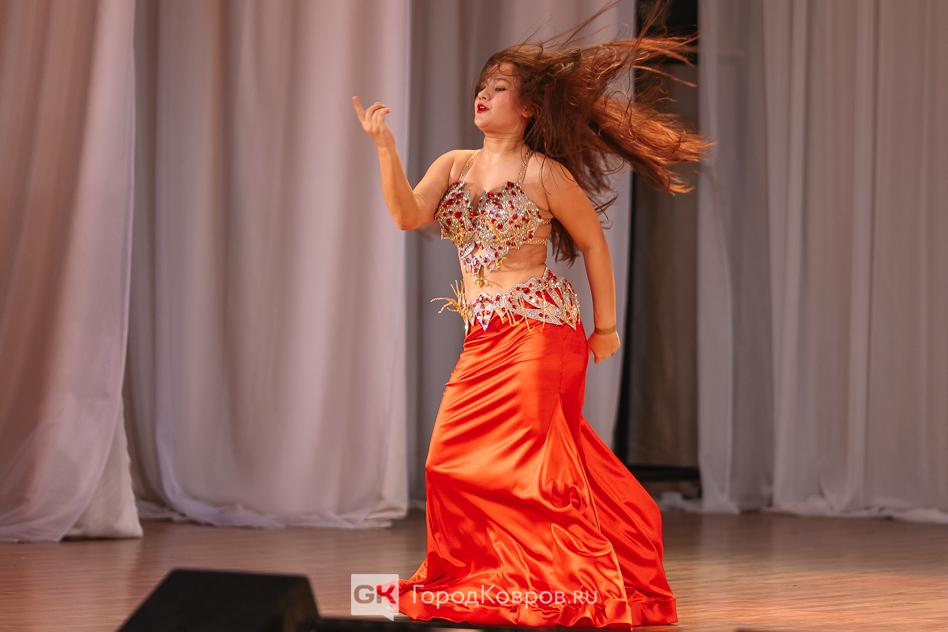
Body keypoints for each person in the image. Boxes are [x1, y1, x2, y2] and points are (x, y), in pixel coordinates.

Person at [352, 1, 711, 628]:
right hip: (483, 336)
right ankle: (495, 575)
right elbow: (408, 215)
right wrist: (385, 148)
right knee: (447, 461)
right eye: (482, 85)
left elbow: (594, 245)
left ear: (528, 109)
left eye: (499, 87)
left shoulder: (544, 173)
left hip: (540, 333)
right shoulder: (454, 165)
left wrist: (606, 327)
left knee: (527, 466)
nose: (484, 94)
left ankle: (563, 582)